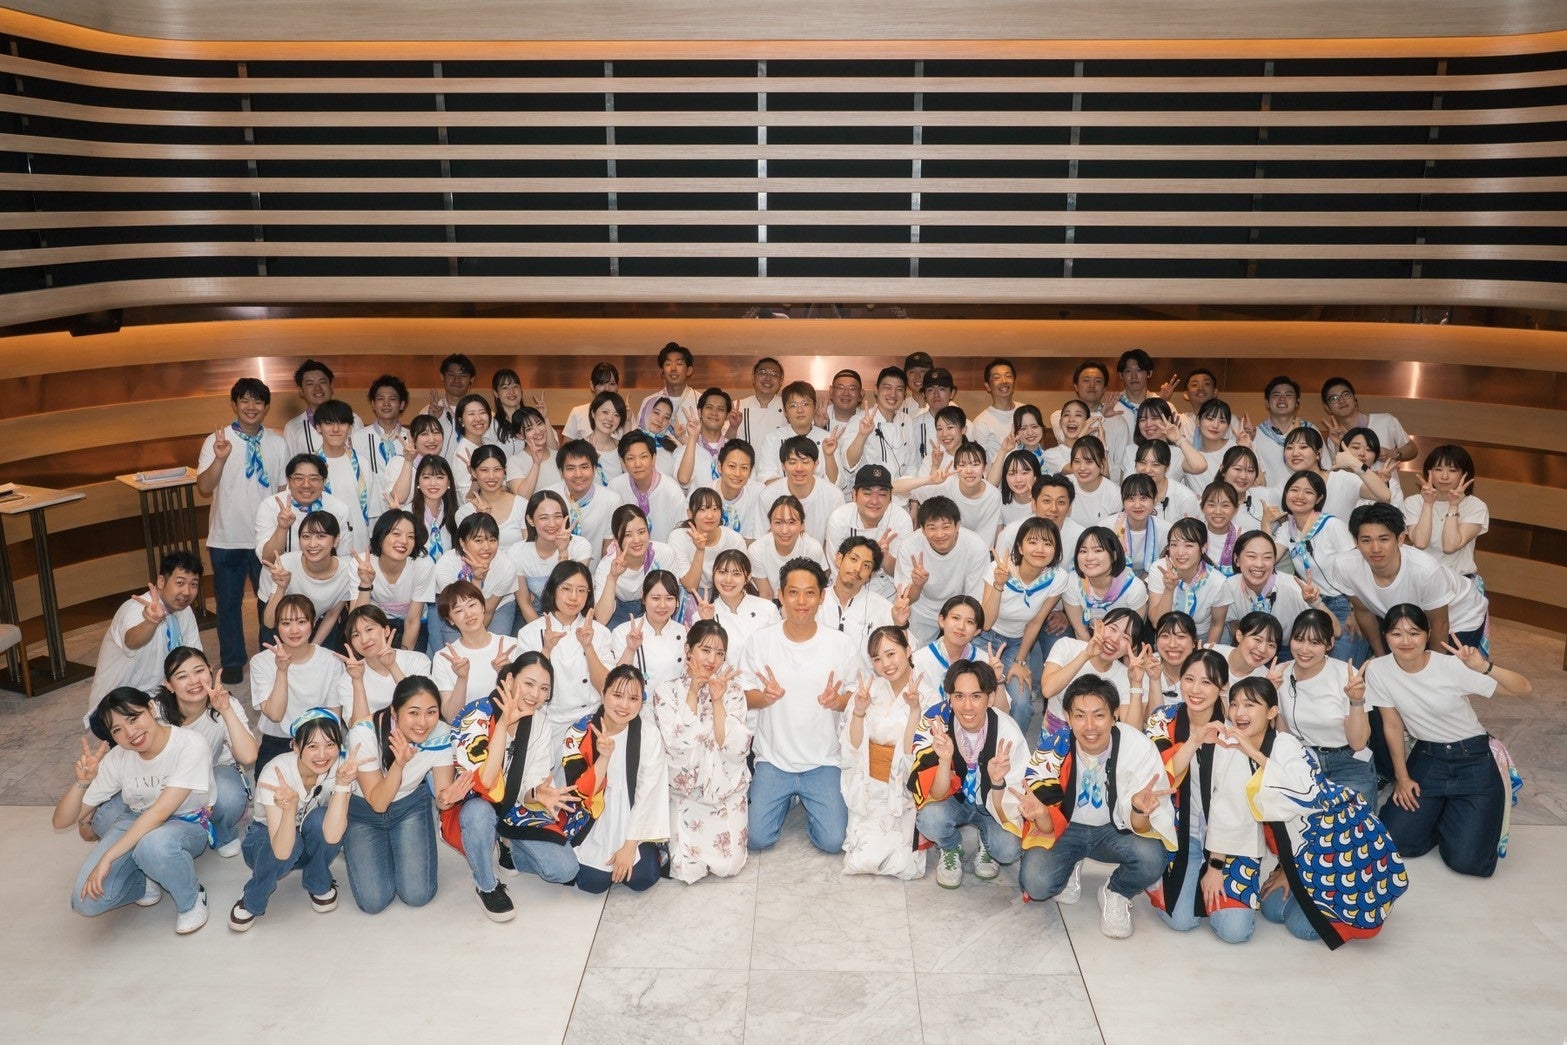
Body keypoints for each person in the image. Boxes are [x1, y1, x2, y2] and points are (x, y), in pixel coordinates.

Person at [1210, 678, 1408, 947]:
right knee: (1272, 909)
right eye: (1234, 704)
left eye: (1250, 704)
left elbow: (1304, 792)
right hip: (1296, 853)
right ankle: (1300, 883)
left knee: (1301, 927)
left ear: (1271, 712)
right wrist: (1285, 869)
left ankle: (1361, 901)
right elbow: (1227, 808)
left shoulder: (1287, 745)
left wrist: (1254, 753)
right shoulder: (1229, 745)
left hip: (1335, 847)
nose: (1239, 712)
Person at [1002, 675, 1176, 938]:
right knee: (1036, 885)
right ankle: (1071, 861)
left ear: (1114, 715)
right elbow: (1047, 825)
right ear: (1068, 717)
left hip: (1114, 830)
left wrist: (1139, 809)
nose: (1090, 726)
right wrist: (1041, 814)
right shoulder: (1052, 750)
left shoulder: (1138, 749)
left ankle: (1116, 891)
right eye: (1080, 716)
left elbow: (1142, 827)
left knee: (1153, 858)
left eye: (1099, 715)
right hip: (1067, 829)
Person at [1366, 604, 1532, 878]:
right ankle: (1443, 810)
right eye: (1396, 633)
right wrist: (1402, 778)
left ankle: (1452, 811)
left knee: (1468, 862)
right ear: (1385, 636)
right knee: (1396, 841)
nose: (1405, 641)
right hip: (1428, 756)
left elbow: (1524, 690)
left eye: (1414, 633)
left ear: (1428, 633)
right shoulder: (1378, 670)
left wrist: (1485, 667)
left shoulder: (1451, 666)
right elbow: (1392, 725)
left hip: (1473, 757)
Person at [55, 688, 216, 934]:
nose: (131, 733)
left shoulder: (190, 743)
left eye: (134, 718)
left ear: (151, 708)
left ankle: (191, 898)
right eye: (117, 730)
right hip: (136, 818)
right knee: (85, 901)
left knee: (153, 846)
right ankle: (145, 878)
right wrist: (81, 783)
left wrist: (108, 857)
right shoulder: (119, 757)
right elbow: (61, 821)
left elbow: (160, 813)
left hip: (186, 821)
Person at [741, 558, 859, 854]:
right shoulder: (760, 641)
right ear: (780, 595)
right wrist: (763, 698)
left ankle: (806, 802)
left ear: (821, 597)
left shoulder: (840, 643)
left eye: (809, 593)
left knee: (834, 842)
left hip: (823, 761)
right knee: (756, 839)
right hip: (773, 760)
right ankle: (788, 798)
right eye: (793, 593)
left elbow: (856, 696)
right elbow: (742, 694)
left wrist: (837, 702)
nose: (801, 601)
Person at [450, 654, 578, 919]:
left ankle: (508, 844)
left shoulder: (540, 723)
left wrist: (537, 793)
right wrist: (503, 724)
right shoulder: (475, 715)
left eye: (544, 688)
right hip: (476, 803)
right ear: (509, 679)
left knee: (565, 870)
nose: (535, 695)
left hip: (515, 806)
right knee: (479, 814)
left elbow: (531, 782)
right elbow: (484, 783)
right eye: (529, 684)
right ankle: (486, 885)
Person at [1144, 648, 1245, 941]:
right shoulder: (1162, 719)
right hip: (1180, 835)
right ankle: (1172, 881)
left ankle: (1212, 881)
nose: (1196, 690)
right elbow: (1162, 775)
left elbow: (1236, 805)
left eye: (1206, 682)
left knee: (1234, 932)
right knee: (1181, 921)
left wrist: (1216, 865)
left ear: (1223, 687)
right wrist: (1195, 740)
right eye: (1189, 679)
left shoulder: (1236, 731)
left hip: (1227, 840)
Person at [343, 675, 465, 914]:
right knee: (373, 902)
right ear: (394, 711)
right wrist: (398, 765)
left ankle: (393, 845)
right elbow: (378, 803)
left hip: (409, 806)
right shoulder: (364, 733)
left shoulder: (441, 733)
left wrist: (447, 798)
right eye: (413, 713)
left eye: (431, 712)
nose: (423, 722)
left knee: (418, 895)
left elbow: (442, 797)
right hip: (364, 812)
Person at [228, 708, 357, 931]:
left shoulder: (341, 768)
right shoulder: (276, 772)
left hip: (308, 834)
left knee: (323, 819)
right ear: (295, 747)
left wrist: (343, 784)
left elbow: (333, 835)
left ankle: (317, 879)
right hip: (266, 840)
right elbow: (281, 851)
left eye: (330, 744)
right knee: (291, 845)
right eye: (312, 746)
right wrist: (289, 810)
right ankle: (253, 895)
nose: (322, 755)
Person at [907, 658, 1028, 888]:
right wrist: (944, 760)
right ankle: (951, 847)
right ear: (949, 698)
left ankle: (987, 842)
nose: (967, 706)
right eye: (959, 696)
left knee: (1008, 849)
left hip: (993, 805)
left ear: (990, 698)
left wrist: (997, 782)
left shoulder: (1008, 733)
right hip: (954, 800)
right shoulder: (936, 723)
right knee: (928, 819)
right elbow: (936, 793)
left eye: (976, 696)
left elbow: (1016, 799)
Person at [198, 377, 288, 684]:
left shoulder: (277, 442)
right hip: (227, 537)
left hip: (267, 539)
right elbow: (205, 486)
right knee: (228, 604)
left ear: (266, 407)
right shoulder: (216, 441)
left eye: (258, 401)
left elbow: (282, 490)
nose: (251, 407)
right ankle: (233, 660)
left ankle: (269, 656)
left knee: (270, 600)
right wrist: (220, 459)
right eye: (245, 400)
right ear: (234, 404)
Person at [651, 620, 753, 884]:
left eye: (719, 653)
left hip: (726, 790)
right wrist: (694, 691)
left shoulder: (733, 691)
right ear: (688, 650)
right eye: (705, 650)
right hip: (685, 792)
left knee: (730, 865)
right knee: (685, 868)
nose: (712, 660)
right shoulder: (667, 690)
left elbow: (735, 749)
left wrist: (717, 701)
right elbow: (676, 744)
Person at [1323, 502, 1490, 656]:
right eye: (1366, 540)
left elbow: (1439, 625)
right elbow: (1364, 611)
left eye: (1383, 539)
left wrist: (1434, 670)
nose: (1375, 548)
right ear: (1356, 541)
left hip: (1458, 617)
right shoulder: (1344, 566)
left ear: (1400, 539)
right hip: (1407, 622)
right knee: (1396, 668)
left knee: (1447, 674)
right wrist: (1381, 657)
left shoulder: (1425, 570)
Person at [560, 665, 672, 894]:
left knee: (643, 878)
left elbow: (649, 793)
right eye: (617, 695)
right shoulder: (578, 733)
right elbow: (579, 792)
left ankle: (646, 851)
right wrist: (603, 757)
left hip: (634, 815)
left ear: (641, 702)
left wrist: (630, 846)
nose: (624, 705)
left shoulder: (648, 734)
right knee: (593, 882)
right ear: (603, 694)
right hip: (594, 817)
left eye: (633, 698)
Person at [841, 627, 933, 880]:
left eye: (891, 654)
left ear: (908, 650)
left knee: (903, 866)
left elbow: (918, 754)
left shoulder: (929, 696)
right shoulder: (868, 690)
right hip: (869, 785)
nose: (886, 664)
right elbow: (852, 746)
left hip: (903, 789)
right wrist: (859, 711)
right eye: (877, 658)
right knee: (861, 861)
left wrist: (915, 711)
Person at [153, 647, 256, 858]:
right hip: (169, 778)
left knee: (229, 794)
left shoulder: (226, 703)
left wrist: (225, 710)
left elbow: (248, 756)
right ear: (169, 685)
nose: (194, 681)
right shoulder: (156, 711)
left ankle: (223, 831)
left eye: (199, 671)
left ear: (210, 670)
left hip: (213, 773)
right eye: (182, 676)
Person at [1273, 609, 1374, 802]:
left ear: (1330, 644)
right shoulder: (1278, 675)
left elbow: (1358, 743)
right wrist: (1270, 695)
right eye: (1299, 639)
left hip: (1348, 762)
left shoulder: (1347, 675)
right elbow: (1283, 735)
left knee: (1354, 820)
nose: (1304, 649)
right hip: (1303, 760)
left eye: (1315, 642)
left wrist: (1356, 700)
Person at [85, 552, 204, 716]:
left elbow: (193, 658)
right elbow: (131, 641)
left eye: (194, 584)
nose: (187, 591)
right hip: (116, 705)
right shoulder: (134, 608)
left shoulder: (185, 611)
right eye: (180, 583)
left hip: (161, 697)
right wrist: (151, 621)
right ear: (161, 581)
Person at [978, 516, 1067, 732]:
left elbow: (1036, 622)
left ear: (1056, 549)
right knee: (979, 691)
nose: (1040, 549)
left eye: (1048, 543)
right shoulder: (999, 568)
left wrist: (1020, 661)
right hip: (983, 639)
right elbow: (986, 622)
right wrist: (999, 584)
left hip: (1016, 644)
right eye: (1033, 542)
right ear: (1020, 546)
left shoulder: (1058, 577)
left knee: (1021, 704)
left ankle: (1011, 746)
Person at [517, 561, 615, 749]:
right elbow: (523, 689)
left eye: (581, 591)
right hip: (546, 722)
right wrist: (546, 651)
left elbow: (607, 687)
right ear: (553, 589)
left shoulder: (600, 632)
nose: (573, 597)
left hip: (590, 720)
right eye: (566, 589)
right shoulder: (530, 633)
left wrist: (588, 647)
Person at [1264, 470, 1360, 661]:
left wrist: (1357, 611)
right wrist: (1266, 523)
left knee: (1339, 664)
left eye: (1308, 492)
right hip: (1314, 603)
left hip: (1345, 603)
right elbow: (1267, 558)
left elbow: (1357, 568)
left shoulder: (1332, 525)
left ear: (1319, 498)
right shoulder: (1287, 528)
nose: (1300, 496)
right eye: (1294, 490)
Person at [251, 593, 348, 772]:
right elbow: (275, 715)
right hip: (278, 741)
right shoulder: (260, 662)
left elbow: (334, 716)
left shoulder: (332, 661)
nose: (294, 630)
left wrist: (324, 748)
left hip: (319, 739)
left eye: (301, 622)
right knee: (267, 787)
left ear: (313, 623)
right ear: (277, 626)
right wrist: (282, 670)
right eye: (286, 623)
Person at [895, 495, 990, 646]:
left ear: (957, 526)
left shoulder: (976, 546)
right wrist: (917, 585)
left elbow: (973, 598)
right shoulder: (909, 546)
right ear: (922, 529)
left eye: (946, 527)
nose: (939, 534)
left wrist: (958, 623)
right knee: (911, 653)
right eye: (932, 528)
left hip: (960, 611)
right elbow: (907, 599)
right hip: (922, 610)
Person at [258, 510, 354, 649]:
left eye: (321, 536)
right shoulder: (287, 563)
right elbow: (269, 622)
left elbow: (332, 615)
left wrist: (313, 649)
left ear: (336, 540)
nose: (312, 544)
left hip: (319, 624)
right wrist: (282, 587)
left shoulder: (347, 571)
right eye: (306, 536)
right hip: (283, 625)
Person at [1222, 529, 1333, 647]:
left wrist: (1315, 603)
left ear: (1274, 560)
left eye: (1267, 557)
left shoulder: (1293, 587)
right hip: (1250, 645)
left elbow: (1335, 631)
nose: (1259, 564)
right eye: (1251, 556)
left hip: (1289, 649)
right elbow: (1231, 624)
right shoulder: (1229, 586)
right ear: (1237, 559)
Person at [1041, 608, 1144, 732]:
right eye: (1113, 629)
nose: (1115, 639)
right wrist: (1086, 655)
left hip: (1096, 738)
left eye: (1126, 638)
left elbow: (1133, 732)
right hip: (1054, 733)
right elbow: (1048, 690)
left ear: (1131, 649)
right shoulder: (1067, 646)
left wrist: (1136, 684)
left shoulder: (1125, 675)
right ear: (1099, 625)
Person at [817, 536, 906, 677]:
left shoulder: (882, 607)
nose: (857, 569)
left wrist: (900, 624)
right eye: (853, 559)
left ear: (871, 575)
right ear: (839, 559)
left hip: (865, 686)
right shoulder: (814, 601)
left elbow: (907, 651)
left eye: (866, 566)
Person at [823, 464, 913, 600]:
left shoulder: (901, 519)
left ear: (890, 497)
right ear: (854, 495)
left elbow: (900, 572)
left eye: (882, 494)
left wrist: (885, 557)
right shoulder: (840, 518)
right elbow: (838, 569)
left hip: (886, 589)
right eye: (867, 493)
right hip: (847, 586)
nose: (874, 501)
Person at [430, 580, 517, 720]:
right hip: (467, 732)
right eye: (458, 611)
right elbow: (452, 718)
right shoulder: (443, 658)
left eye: (472, 605)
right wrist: (462, 678)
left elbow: (524, 701)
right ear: (450, 619)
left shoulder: (511, 646)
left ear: (483, 606)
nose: (468, 614)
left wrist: (504, 672)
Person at [592, 504, 690, 627]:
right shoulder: (607, 565)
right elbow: (601, 619)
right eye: (628, 535)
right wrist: (612, 577)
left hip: (657, 610)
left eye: (641, 532)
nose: (637, 540)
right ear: (616, 539)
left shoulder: (664, 553)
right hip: (618, 613)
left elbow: (671, 599)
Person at [351, 509, 435, 651]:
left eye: (411, 536)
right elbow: (356, 620)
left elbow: (412, 620)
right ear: (381, 535)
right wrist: (365, 584)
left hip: (412, 621)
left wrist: (404, 657)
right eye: (396, 534)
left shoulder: (423, 564)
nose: (404, 541)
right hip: (375, 624)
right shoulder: (361, 563)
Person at [430, 512, 520, 643]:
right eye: (478, 540)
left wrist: (479, 643)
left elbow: (488, 610)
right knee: (453, 649)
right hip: (457, 609)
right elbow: (457, 607)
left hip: (497, 607)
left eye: (492, 540)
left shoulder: (506, 567)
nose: (486, 547)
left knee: (495, 647)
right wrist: (477, 580)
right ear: (462, 542)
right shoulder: (446, 566)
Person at [336, 604, 433, 724]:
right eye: (356, 635)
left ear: (386, 630)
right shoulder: (348, 678)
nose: (364, 639)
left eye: (369, 630)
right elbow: (358, 727)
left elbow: (424, 707)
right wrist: (357, 680)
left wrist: (392, 666)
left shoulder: (417, 660)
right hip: (374, 734)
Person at [1404, 444, 1488, 579]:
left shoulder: (1475, 506)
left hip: (1459, 579)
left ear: (1465, 474)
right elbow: (1420, 543)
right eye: (1438, 469)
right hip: (1420, 578)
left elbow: (1450, 547)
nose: (1444, 476)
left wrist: (1453, 506)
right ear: (1429, 472)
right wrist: (1428, 503)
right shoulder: (1413, 502)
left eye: (1453, 470)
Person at [253, 453, 353, 567]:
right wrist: (282, 528)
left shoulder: (339, 510)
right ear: (288, 481)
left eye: (314, 479)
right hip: (279, 575)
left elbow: (343, 559)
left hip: (321, 575)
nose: (306, 485)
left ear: (324, 481)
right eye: (299, 478)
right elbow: (268, 560)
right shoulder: (270, 506)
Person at [510, 490, 592, 625]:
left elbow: (570, 592)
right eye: (544, 518)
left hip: (573, 609)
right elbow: (524, 603)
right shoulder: (517, 552)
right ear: (530, 520)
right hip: (535, 611)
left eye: (557, 516)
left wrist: (563, 551)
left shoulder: (580, 546)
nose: (552, 524)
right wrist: (542, 630)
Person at [1145, 517, 1228, 646]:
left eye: (1188, 545)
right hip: (1167, 640)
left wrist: (1205, 653)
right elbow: (1157, 623)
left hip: (1201, 641)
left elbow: (1217, 624)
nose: (1180, 553)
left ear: (1203, 547)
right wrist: (1169, 589)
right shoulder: (1159, 569)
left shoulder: (1218, 581)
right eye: (1174, 545)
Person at [1062, 526, 1149, 641]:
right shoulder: (1071, 582)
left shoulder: (1134, 588)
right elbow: (1081, 633)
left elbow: (1131, 637)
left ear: (1114, 556)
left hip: (1122, 642)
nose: (1089, 557)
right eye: (1083, 551)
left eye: (1098, 550)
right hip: (1088, 640)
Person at [611, 571, 689, 697]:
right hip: (637, 704)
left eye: (669, 598)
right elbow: (617, 681)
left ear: (677, 601)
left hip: (676, 704)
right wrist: (630, 649)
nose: (662, 605)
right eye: (655, 598)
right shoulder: (622, 632)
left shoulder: (685, 633)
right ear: (643, 598)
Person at [312, 398, 373, 554]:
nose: (336, 429)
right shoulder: (310, 466)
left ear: (350, 428)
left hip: (359, 544)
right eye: (328, 423)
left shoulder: (362, 463)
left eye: (342, 423)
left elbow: (370, 505)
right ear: (318, 427)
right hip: (322, 546)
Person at [549, 439, 624, 566]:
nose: (578, 474)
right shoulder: (548, 498)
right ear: (561, 472)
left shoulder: (611, 500)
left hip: (594, 574)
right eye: (570, 468)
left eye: (584, 467)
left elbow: (608, 549)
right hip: (553, 571)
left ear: (594, 468)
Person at [700, 548, 780, 660]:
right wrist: (707, 622)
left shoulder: (768, 609)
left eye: (736, 574)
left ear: (748, 578)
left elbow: (778, 650)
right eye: (722, 572)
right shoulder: (702, 615)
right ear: (713, 574)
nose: (728, 580)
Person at [764, 435, 845, 546]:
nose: (799, 468)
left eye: (805, 462)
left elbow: (836, 544)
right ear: (783, 466)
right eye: (792, 462)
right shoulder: (768, 495)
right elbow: (762, 541)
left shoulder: (834, 496)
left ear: (815, 464)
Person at [747, 494, 829, 602]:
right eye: (778, 522)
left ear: (802, 525)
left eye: (791, 522)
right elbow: (766, 594)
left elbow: (816, 587)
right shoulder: (756, 550)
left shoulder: (812, 548)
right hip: (768, 600)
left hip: (801, 599)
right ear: (770, 524)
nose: (784, 531)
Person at [610, 430, 688, 541]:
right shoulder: (615, 487)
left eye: (643, 457)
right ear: (623, 462)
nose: (638, 464)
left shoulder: (671, 490)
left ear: (653, 459)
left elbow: (682, 533)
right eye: (631, 458)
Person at [1319, 376, 1416, 464]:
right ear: (1327, 408)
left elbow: (1413, 450)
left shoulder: (1386, 421)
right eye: (1334, 398)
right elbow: (1337, 473)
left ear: (1355, 398)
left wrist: (1392, 453)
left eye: (1345, 394)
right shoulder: (1334, 438)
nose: (1341, 400)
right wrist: (1339, 446)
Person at [842, 366, 916, 480]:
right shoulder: (860, 419)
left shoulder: (907, 420)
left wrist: (908, 487)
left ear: (905, 394)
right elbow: (848, 463)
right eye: (887, 387)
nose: (893, 394)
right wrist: (862, 435)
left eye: (899, 389)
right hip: (870, 488)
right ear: (876, 390)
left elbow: (912, 463)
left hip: (903, 489)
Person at [669, 487, 748, 593]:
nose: (710, 516)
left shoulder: (735, 539)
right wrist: (700, 550)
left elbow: (742, 579)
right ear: (690, 513)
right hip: (691, 594)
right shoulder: (679, 537)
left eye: (715, 509)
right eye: (702, 509)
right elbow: (691, 587)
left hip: (726, 591)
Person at [757, 380, 836, 485]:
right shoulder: (772, 439)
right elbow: (766, 477)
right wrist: (797, 489)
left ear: (814, 407)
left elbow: (835, 482)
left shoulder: (828, 439)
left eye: (805, 404)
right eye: (793, 405)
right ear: (785, 411)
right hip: (782, 495)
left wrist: (829, 456)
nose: (800, 410)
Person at [284, 359, 360, 458]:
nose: (318, 388)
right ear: (301, 391)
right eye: (310, 384)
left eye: (322, 382)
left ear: (331, 386)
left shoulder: (353, 419)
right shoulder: (293, 428)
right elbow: (291, 465)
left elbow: (361, 458)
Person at [1099, 473, 1168, 581]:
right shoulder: (1106, 527)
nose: (1137, 505)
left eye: (1143, 498)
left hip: (1151, 581)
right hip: (1112, 580)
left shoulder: (1165, 529)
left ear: (1154, 500)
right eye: (1131, 498)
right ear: (1123, 501)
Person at [457, 444, 527, 550]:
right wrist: (480, 519)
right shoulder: (464, 513)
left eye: (497, 469)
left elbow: (529, 547)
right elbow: (468, 551)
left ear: (504, 471)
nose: (491, 476)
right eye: (484, 470)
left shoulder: (522, 505)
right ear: (474, 472)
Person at [674, 387, 734, 494]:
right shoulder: (684, 450)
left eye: (720, 409)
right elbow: (683, 481)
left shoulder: (734, 450)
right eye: (709, 407)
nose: (714, 413)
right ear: (699, 412)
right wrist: (692, 437)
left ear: (727, 415)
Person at [381, 413, 446, 510]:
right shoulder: (399, 462)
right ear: (412, 438)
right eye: (424, 434)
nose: (432, 439)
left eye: (436, 432)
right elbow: (399, 498)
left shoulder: (442, 465)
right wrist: (408, 461)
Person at [1133, 438, 1202, 524]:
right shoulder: (1129, 491)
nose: (1147, 470)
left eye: (1155, 465)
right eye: (1143, 463)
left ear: (1167, 467)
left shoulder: (1185, 498)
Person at [423, 352, 478, 454]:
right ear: (442, 377)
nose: (456, 380)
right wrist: (431, 420)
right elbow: (418, 447)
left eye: (462, 375)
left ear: (471, 380)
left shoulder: (482, 415)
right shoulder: (427, 412)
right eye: (451, 375)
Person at [636, 341, 698, 431]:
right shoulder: (649, 402)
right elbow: (639, 432)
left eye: (679, 364)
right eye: (668, 364)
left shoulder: (700, 401)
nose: (673, 369)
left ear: (689, 370)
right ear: (663, 371)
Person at [447, 393, 497, 503]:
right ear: (461, 421)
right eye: (471, 414)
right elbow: (466, 500)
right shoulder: (462, 453)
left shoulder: (488, 444)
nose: (478, 418)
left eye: (482, 412)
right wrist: (475, 479)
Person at [967, 359, 1019, 461]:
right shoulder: (982, 422)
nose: (1004, 381)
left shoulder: (1025, 412)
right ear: (988, 386)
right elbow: (979, 461)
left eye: (1008, 376)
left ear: (1014, 382)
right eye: (996, 377)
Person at [733, 357, 787, 448]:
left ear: (781, 381)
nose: (768, 378)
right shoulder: (738, 406)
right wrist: (733, 428)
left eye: (774, 374)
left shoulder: (788, 406)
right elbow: (725, 442)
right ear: (753, 378)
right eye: (762, 372)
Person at [562, 362, 622, 441]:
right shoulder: (578, 412)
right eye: (602, 383)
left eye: (612, 384)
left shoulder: (625, 414)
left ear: (617, 386)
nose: (607, 389)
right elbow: (567, 446)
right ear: (592, 385)